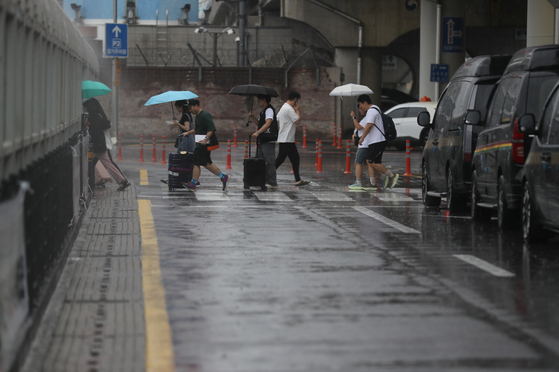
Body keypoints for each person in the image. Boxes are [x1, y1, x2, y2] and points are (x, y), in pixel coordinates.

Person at [181, 99, 230, 191]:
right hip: (200, 144)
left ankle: (193, 183)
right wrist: (187, 133)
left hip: (204, 145)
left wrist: (206, 139)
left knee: (198, 163)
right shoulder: (198, 116)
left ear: (196, 106)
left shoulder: (205, 115)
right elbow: (197, 129)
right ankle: (223, 177)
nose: (190, 110)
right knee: (206, 164)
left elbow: (211, 128)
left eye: (190, 108)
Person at [83, 98, 131, 191]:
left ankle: (86, 184)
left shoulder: (91, 118)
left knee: (85, 165)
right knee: (109, 164)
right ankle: (122, 180)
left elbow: (92, 132)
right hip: (101, 145)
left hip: (94, 146)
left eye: (85, 108)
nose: (85, 110)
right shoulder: (99, 116)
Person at [354, 94, 399, 189]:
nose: (360, 107)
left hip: (377, 141)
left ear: (365, 102)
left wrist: (362, 138)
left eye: (360, 104)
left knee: (371, 162)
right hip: (374, 141)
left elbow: (369, 126)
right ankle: (373, 183)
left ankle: (391, 176)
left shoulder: (371, 111)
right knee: (369, 162)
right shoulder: (375, 109)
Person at [275, 91, 310, 186]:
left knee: (295, 159)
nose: (297, 102)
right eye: (297, 100)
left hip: (287, 139)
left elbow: (277, 120)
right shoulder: (289, 109)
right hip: (286, 139)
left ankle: (298, 180)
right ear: (295, 99)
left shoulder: (283, 107)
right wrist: (297, 110)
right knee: (279, 160)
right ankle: (266, 175)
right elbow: (297, 121)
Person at [161, 100, 198, 185]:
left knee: (184, 159)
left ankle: (186, 179)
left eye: (177, 107)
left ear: (181, 106)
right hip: (187, 140)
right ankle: (184, 179)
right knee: (187, 160)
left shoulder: (185, 115)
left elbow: (187, 128)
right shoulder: (186, 115)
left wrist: (178, 124)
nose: (177, 109)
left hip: (186, 141)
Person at [249, 94, 278, 189]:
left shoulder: (269, 110)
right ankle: (262, 180)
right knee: (260, 161)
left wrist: (258, 132)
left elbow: (268, 123)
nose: (258, 102)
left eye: (259, 100)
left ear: (264, 100)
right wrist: (253, 117)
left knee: (269, 162)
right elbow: (260, 123)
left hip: (268, 139)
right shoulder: (263, 111)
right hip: (262, 140)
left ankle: (272, 182)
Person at [348, 111, 376, 190]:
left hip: (364, 144)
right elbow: (360, 129)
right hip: (365, 144)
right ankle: (380, 177)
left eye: (360, 108)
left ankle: (358, 182)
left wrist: (353, 117)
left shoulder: (368, 118)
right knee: (367, 165)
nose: (359, 110)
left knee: (358, 162)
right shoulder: (366, 118)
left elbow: (359, 127)